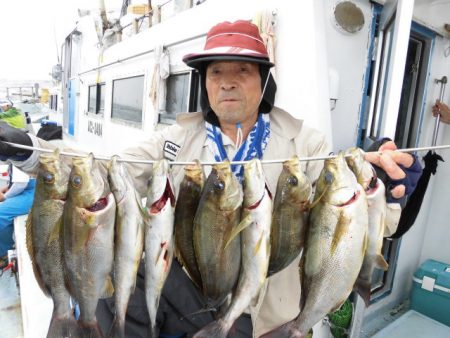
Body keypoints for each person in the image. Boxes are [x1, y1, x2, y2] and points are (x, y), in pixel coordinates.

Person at [0, 20, 422, 337]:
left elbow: (353, 218)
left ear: (263, 82)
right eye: (216, 73)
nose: (228, 83)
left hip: (265, 308)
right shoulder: (176, 139)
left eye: (243, 70)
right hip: (192, 283)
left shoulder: (305, 144)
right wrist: (32, 152)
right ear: (205, 83)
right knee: (112, 304)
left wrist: (386, 191)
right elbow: (107, 165)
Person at [0, 164, 36, 270]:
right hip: (27, 188)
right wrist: (6, 188)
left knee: (1, 214)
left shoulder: (17, 151)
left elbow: (21, 183)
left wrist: (4, 196)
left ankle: (4, 253)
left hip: (33, 192)